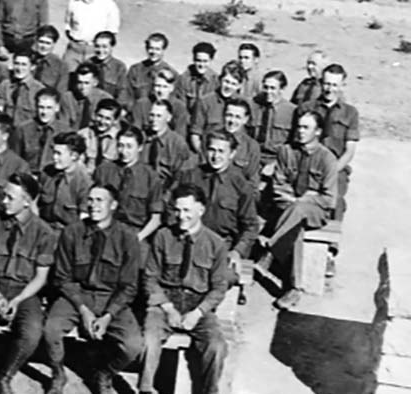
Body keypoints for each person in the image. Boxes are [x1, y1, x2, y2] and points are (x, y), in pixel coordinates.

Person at [134, 184, 232, 394]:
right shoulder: (163, 237)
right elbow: (150, 277)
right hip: (166, 301)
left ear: (201, 209)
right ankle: (144, 392)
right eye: (177, 210)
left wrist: (197, 313)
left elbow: (219, 287)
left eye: (187, 210)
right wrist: (167, 308)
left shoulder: (215, 244)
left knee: (217, 346)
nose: (181, 216)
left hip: (198, 305)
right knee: (149, 338)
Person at [43, 185, 142, 394]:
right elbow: (62, 278)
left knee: (133, 345)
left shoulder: (127, 238)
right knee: (51, 330)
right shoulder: (72, 232)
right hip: (77, 296)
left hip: (112, 299)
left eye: (100, 200)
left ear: (113, 205)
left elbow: (129, 286)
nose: (94, 205)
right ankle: (58, 374)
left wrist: (108, 316)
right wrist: (83, 309)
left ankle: (105, 375)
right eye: (90, 200)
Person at [0, 173, 57, 394]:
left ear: (27, 201)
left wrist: (17, 300)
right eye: (4, 195)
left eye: (10, 197)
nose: (4, 201)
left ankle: (4, 378)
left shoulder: (44, 232)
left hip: (25, 290)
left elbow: (40, 277)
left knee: (32, 331)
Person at [260, 111, 338, 310]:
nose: (300, 132)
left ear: (318, 132)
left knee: (300, 210)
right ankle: (295, 288)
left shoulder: (327, 158)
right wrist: (299, 200)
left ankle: (270, 250)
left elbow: (329, 199)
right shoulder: (286, 151)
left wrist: (305, 200)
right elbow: (279, 187)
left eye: (306, 128)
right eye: (299, 127)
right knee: (296, 226)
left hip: (316, 212)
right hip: (287, 208)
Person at [175, 130, 260, 283]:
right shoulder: (189, 176)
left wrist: (237, 252)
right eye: (212, 150)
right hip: (187, 240)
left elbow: (251, 226)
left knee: (222, 277)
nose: (215, 156)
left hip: (221, 246)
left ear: (232, 154)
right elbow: (170, 208)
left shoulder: (241, 185)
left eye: (221, 151)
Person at [298, 63, 359, 223]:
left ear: (342, 86)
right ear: (320, 83)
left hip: (336, 166)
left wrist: (331, 170)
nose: (329, 89)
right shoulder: (306, 108)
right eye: (326, 83)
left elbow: (349, 151)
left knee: (336, 196)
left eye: (334, 85)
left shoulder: (350, 113)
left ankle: (333, 235)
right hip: (308, 162)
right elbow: (297, 141)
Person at [93, 125, 164, 243]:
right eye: (120, 146)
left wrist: (137, 238)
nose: (124, 151)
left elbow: (156, 219)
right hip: (105, 232)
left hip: (136, 233)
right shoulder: (103, 170)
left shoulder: (151, 176)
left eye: (129, 147)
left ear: (140, 147)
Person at [63, 0, 120, 72]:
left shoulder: (109, 5)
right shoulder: (73, 2)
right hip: (74, 50)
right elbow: (67, 26)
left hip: (95, 51)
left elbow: (112, 33)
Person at [38, 131, 93, 230]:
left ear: (74, 156)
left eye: (59, 154)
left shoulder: (83, 182)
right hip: (42, 228)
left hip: (66, 232)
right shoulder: (48, 171)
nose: (54, 157)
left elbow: (83, 218)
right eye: (54, 152)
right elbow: (35, 202)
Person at [189, 66, 244, 153]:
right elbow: (195, 135)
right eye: (226, 82)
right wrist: (203, 156)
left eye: (233, 84)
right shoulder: (205, 102)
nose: (228, 86)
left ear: (239, 86)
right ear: (220, 80)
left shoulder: (243, 104)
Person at [13, 87, 66, 176]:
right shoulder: (23, 129)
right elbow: (15, 158)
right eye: (41, 107)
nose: (44, 112)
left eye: (49, 108)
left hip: (53, 178)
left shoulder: (65, 131)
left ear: (57, 108)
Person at [249, 70, 296, 166]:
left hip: (277, 160)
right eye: (265, 87)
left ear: (282, 89)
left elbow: (293, 145)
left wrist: (275, 164)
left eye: (273, 88)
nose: (268, 92)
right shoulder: (253, 106)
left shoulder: (292, 111)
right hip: (253, 157)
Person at [141, 100, 193, 185]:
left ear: (168, 118)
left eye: (159, 116)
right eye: (152, 115)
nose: (154, 120)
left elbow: (180, 177)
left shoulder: (177, 143)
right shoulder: (142, 137)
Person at [0, 49, 45, 127]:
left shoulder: (39, 90)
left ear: (32, 67)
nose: (19, 68)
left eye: (24, 64)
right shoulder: (5, 85)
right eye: (16, 64)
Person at [123, 32, 173, 105]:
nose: (153, 52)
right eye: (151, 48)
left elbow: (172, 101)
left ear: (163, 50)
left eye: (157, 49)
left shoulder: (171, 73)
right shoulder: (135, 70)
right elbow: (127, 95)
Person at [176, 42, 220, 119]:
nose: (201, 65)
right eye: (198, 60)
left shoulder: (216, 81)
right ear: (193, 59)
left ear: (211, 60)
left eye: (205, 61)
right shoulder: (184, 79)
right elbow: (181, 107)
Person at [63, 63, 111, 131]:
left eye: (86, 83)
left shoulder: (105, 99)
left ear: (95, 82)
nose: (82, 87)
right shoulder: (67, 98)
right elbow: (63, 125)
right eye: (79, 82)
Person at [80, 98, 123, 172]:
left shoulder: (120, 138)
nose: (102, 121)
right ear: (94, 115)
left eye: (108, 119)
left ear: (115, 121)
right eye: (100, 116)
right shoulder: (83, 134)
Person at [84, 31, 128, 100]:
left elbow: (122, 93)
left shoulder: (119, 67)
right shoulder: (87, 63)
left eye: (104, 47)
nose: (100, 50)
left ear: (112, 47)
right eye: (97, 46)